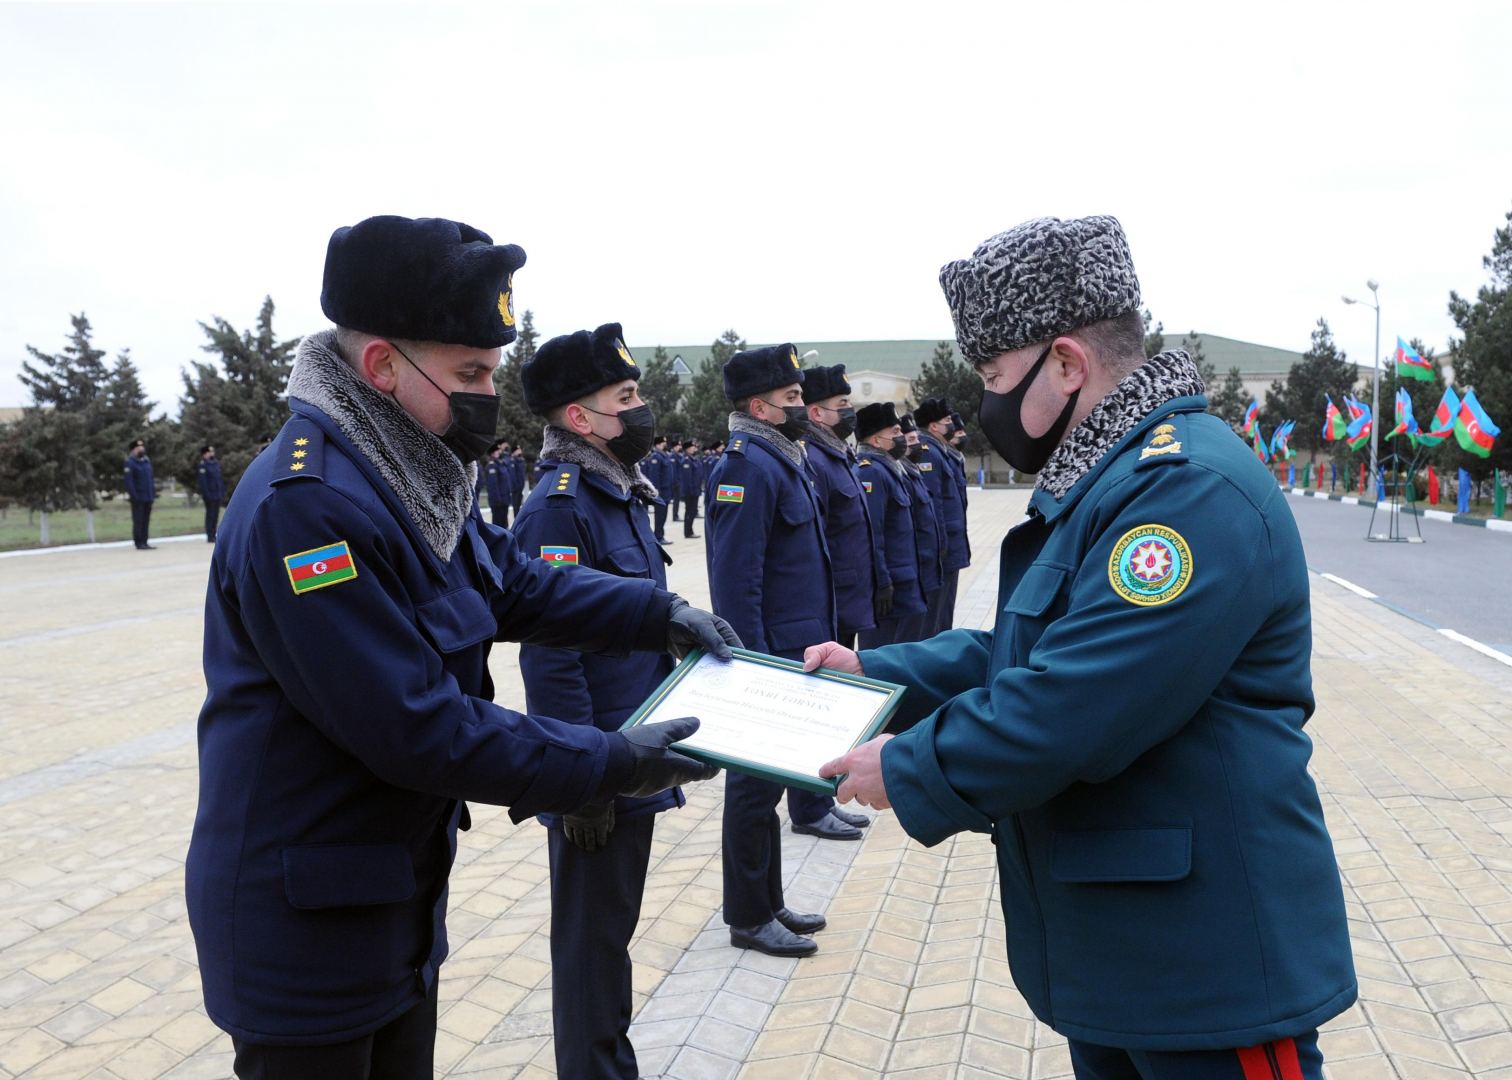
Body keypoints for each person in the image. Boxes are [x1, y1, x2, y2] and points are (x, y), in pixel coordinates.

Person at [186, 214, 739, 1079]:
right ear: (380, 366)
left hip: (389, 900)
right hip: (305, 928)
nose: (489, 392)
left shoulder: (408, 470)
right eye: (470, 372)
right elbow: (414, 724)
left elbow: (510, 582)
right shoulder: (308, 505)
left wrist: (653, 612)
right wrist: (607, 762)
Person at [816, 215, 1355, 1079]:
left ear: (1067, 363)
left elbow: (1077, 701)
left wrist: (911, 765)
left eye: (995, 376)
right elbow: (1033, 650)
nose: (988, 405)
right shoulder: (1113, 477)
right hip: (1123, 946)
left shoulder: (1185, 490)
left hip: (1205, 966)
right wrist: (873, 671)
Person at [512, 322, 678, 1080]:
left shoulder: (616, 496)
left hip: (629, 753)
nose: (641, 408)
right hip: (599, 767)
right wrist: (580, 780)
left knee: (609, 937)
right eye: (627, 396)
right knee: (589, 947)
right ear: (581, 418)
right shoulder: (560, 505)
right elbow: (550, 653)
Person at [705, 343, 833, 957]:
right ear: (759, 406)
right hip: (768, 655)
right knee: (752, 789)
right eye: (791, 399)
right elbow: (736, 577)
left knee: (771, 783)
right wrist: (748, 666)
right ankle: (748, 915)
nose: (802, 407)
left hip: (794, 648)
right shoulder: (746, 465)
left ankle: (769, 899)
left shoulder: (780, 457)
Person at [782, 362, 880, 842]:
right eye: (842, 407)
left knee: (837, 705)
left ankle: (822, 797)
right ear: (817, 414)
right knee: (819, 709)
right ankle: (808, 805)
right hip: (829, 604)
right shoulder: (816, 462)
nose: (850, 414)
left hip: (847, 599)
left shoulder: (837, 456)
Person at [854, 403, 927, 648]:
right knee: (882, 653)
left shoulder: (891, 469)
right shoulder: (871, 472)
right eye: (895, 433)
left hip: (904, 581)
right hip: (891, 588)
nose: (902, 438)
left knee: (904, 651)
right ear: (876, 440)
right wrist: (882, 581)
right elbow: (872, 532)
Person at [912, 398, 970, 632]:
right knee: (934, 617)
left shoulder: (941, 451)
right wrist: (940, 543)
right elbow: (932, 503)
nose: (952, 425)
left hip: (950, 546)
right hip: (941, 549)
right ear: (934, 426)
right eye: (946, 421)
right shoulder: (928, 453)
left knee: (944, 613)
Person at [896, 413, 944, 642]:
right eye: (911, 440)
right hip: (909, 569)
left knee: (928, 628)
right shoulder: (891, 473)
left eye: (917, 439)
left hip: (925, 563)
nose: (917, 445)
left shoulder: (910, 472)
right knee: (907, 634)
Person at [123, 438, 155, 550]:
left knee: (146, 520)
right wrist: (134, 496)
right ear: (133, 450)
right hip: (138, 497)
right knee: (138, 520)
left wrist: (152, 494)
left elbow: (150, 479)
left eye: (142, 447)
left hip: (148, 496)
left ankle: (145, 542)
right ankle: (139, 542)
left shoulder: (146, 461)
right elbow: (129, 482)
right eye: (139, 448)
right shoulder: (130, 462)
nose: (141, 449)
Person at [647, 434, 673, 543]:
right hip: (660, 491)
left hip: (666, 490)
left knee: (664, 515)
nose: (665, 444)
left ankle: (660, 535)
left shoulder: (664, 455)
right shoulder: (656, 457)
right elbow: (654, 476)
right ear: (658, 444)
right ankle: (658, 537)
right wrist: (656, 492)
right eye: (663, 443)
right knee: (660, 515)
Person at [197, 445, 225, 543]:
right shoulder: (203, 465)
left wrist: (221, 491)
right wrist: (207, 495)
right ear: (205, 454)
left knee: (216, 515)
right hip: (210, 495)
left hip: (217, 494)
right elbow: (203, 483)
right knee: (210, 515)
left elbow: (219, 479)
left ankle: (213, 534)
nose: (212, 453)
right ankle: (209, 535)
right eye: (210, 452)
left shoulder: (215, 463)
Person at [483, 441, 511, 526]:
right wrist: (497, 501)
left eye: (499, 450)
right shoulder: (492, 466)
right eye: (497, 451)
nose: (499, 452)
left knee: (504, 524)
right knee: (498, 525)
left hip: (504, 500)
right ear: (492, 453)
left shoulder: (500, 464)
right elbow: (493, 486)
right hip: (498, 502)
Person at [679, 439, 701, 537]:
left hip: (695, 491)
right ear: (687, 449)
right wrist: (689, 492)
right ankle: (688, 532)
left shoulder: (693, 459)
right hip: (690, 492)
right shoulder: (686, 460)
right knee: (689, 512)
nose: (694, 448)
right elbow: (687, 479)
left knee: (692, 512)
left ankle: (690, 531)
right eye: (692, 447)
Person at [508, 444, 527, 517]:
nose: (520, 451)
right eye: (518, 450)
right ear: (514, 452)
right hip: (515, 488)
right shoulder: (512, 461)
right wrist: (516, 486)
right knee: (516, 506)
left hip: (520, 487)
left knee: (519, 506)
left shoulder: (520, 460)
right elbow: (513, 476)